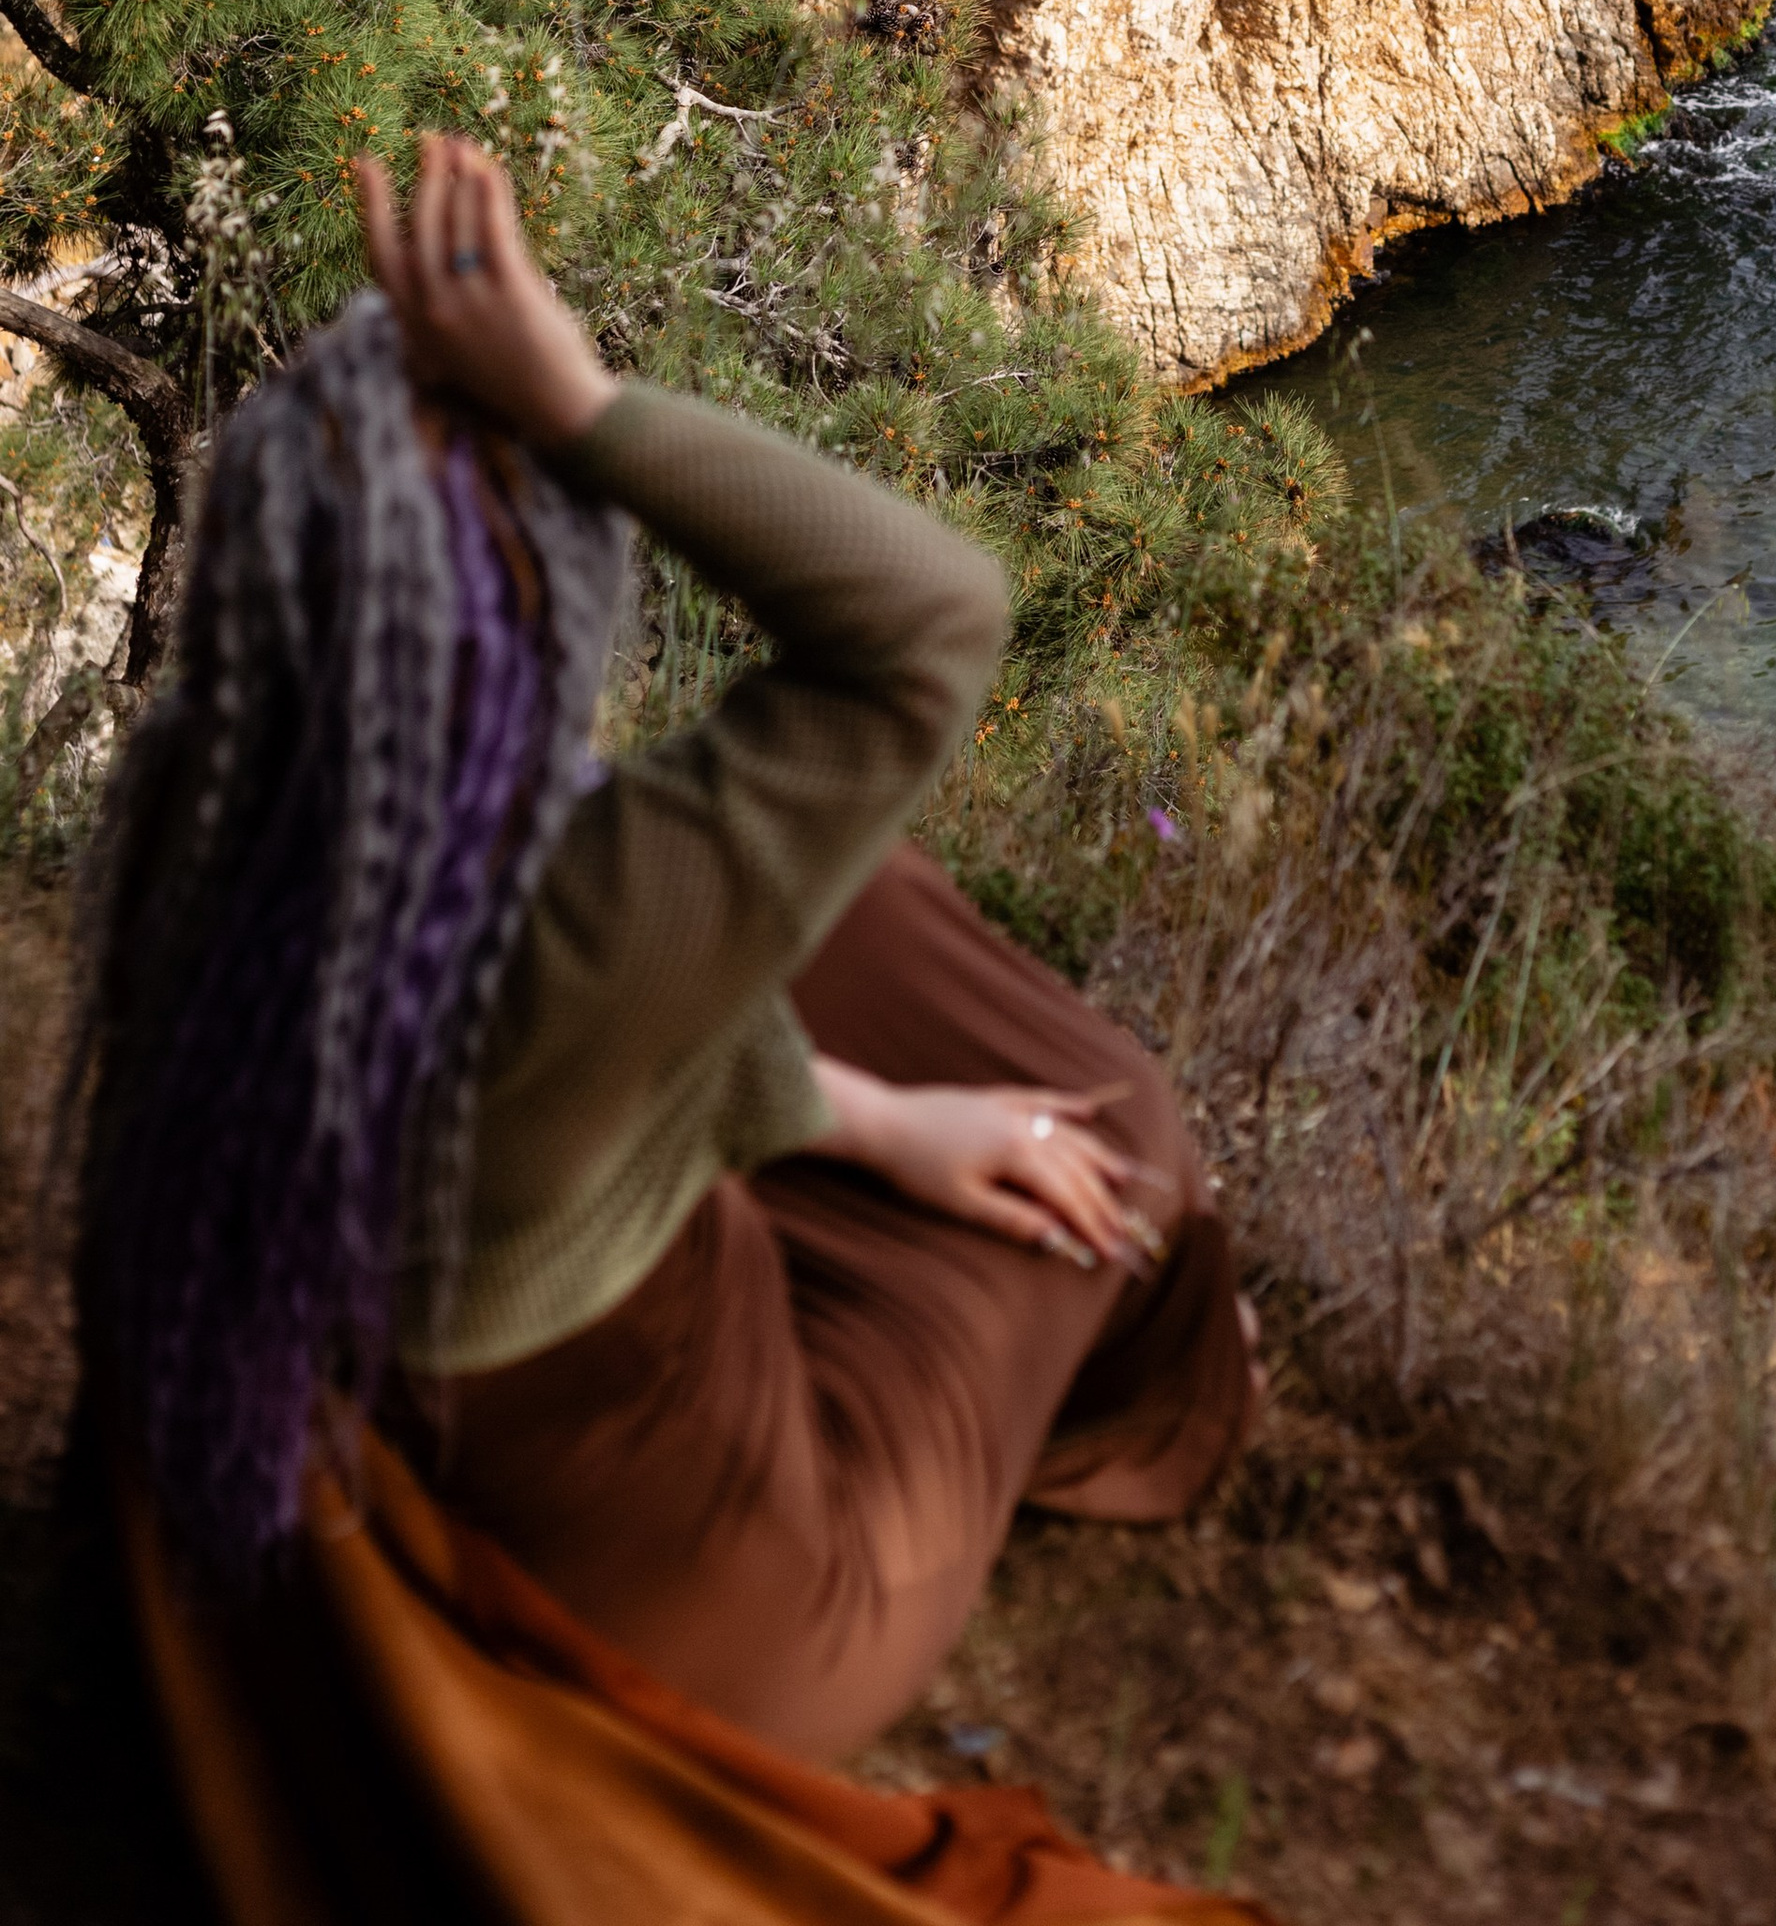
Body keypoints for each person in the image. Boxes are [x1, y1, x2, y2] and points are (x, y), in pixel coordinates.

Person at [77, 135, 1261, 1921]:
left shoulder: (212, 823)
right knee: (1125, 1134)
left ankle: (874, 1142)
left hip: (474, 1387)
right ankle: (1166, 1383)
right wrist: (575, 396)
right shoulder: (589, 920)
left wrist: (865, 1121)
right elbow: (934, 624)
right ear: (543, 592)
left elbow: (612, 1028)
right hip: (758, 1606)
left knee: (842, 909)